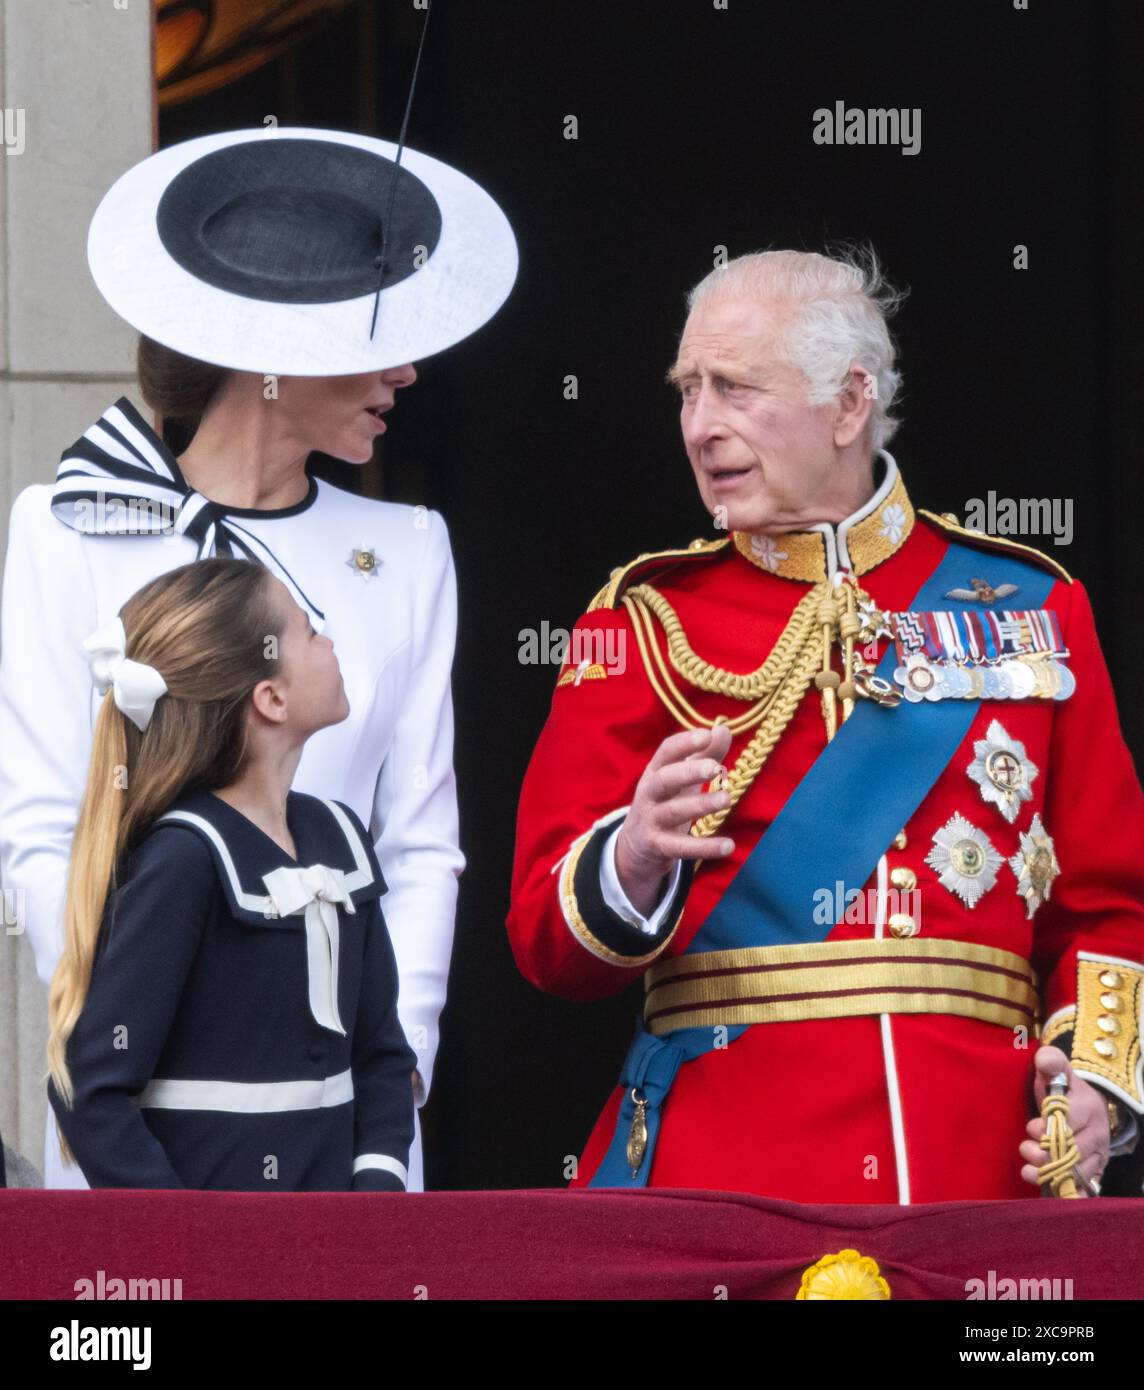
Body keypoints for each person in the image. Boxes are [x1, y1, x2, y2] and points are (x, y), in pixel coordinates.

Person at [507, 246, 1144, 1203]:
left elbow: (1107, 907)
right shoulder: (641, 621)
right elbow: (542, 942)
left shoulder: (1033, 607)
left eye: (734, 388)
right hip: (725, 1175)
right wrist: (634, 856)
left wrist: (1095, 1088)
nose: (699, 426)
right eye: (688, 390)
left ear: (849, 404)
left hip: (977, 1172)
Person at [0, 125, 517, 1190]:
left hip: (347, 1115)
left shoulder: (411, 551)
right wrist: (130, 1032)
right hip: (140, 1111)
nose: (407, 371)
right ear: (279, 357)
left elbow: (418, 844)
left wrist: (392, 1069)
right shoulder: (66, 525)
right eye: (379, 339)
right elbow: (45, 827)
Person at [48, 558, 416, 1189]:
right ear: (270, 698)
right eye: (307, 629)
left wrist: (374, 1200)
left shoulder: (341, 836)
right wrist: (186, 1241)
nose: (327, 639)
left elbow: (381, 1056)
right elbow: (91, 1088)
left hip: (336, 1259)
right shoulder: (186, 858)